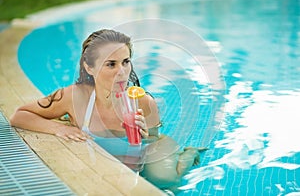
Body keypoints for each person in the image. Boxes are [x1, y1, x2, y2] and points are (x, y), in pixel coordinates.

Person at [10, 29, 207, 192]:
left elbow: (153, 141)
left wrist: (145, 138)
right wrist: (58, 129)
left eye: (125, 62)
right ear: (89, 67)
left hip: (144, 152)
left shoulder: (143, 102)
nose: (121, 72)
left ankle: (189, 154)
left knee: (164, 179)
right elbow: (20, 116)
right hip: (110, 161)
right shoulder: (73, 97)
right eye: (111, 64)